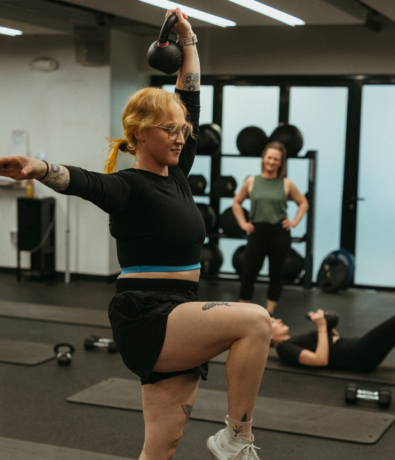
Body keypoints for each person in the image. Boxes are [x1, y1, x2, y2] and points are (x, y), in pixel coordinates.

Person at [0, 8, 271, 460]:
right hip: (148, 317)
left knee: (160, 449)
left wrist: (188, 40)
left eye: (183, 130)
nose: (181, 136)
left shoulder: (178, 176)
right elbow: (83, 180)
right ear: (141, 134)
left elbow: (191, 97)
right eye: (170, 130)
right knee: (255, 321)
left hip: (180, 313)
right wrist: (39, 167)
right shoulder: (127, 186)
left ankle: (230, 439)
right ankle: (237, 437)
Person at [232, 142, 309, 315]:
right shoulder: (251, 181)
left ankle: (269, 314)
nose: (272, 162)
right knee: (248, 273)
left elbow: (303, 202)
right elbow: (236, 202)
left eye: (276, 159)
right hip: (257, 232)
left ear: (281, 163)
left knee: (276, 274)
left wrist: (294, 222)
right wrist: (243, 223)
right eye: (269, 157)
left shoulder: (286, 183)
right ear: (263, 159)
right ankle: (242, 312)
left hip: (279, 234)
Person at [271, 310, 395, 372]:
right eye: (273, 322)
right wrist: (321, 327)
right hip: (357, 356)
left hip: (355, 348)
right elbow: (320, 360)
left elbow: (330, 341)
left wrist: (327, 326)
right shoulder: (284, 347)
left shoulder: (295, 339)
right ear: (268, 336)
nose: (279, 320)